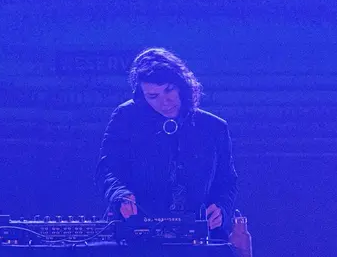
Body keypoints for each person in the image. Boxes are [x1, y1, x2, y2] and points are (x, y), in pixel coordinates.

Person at [95, 48, 238, 235]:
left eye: (169, 90)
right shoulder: (125, 118)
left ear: (181, 86)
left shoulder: (214, 127)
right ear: (142, 96)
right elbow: (107, 169)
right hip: (136, 232)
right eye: (153, 96)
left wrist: (221, 209)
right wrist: (120, 195)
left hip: (198, 235)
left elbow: (227, 180)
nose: (164, 102)